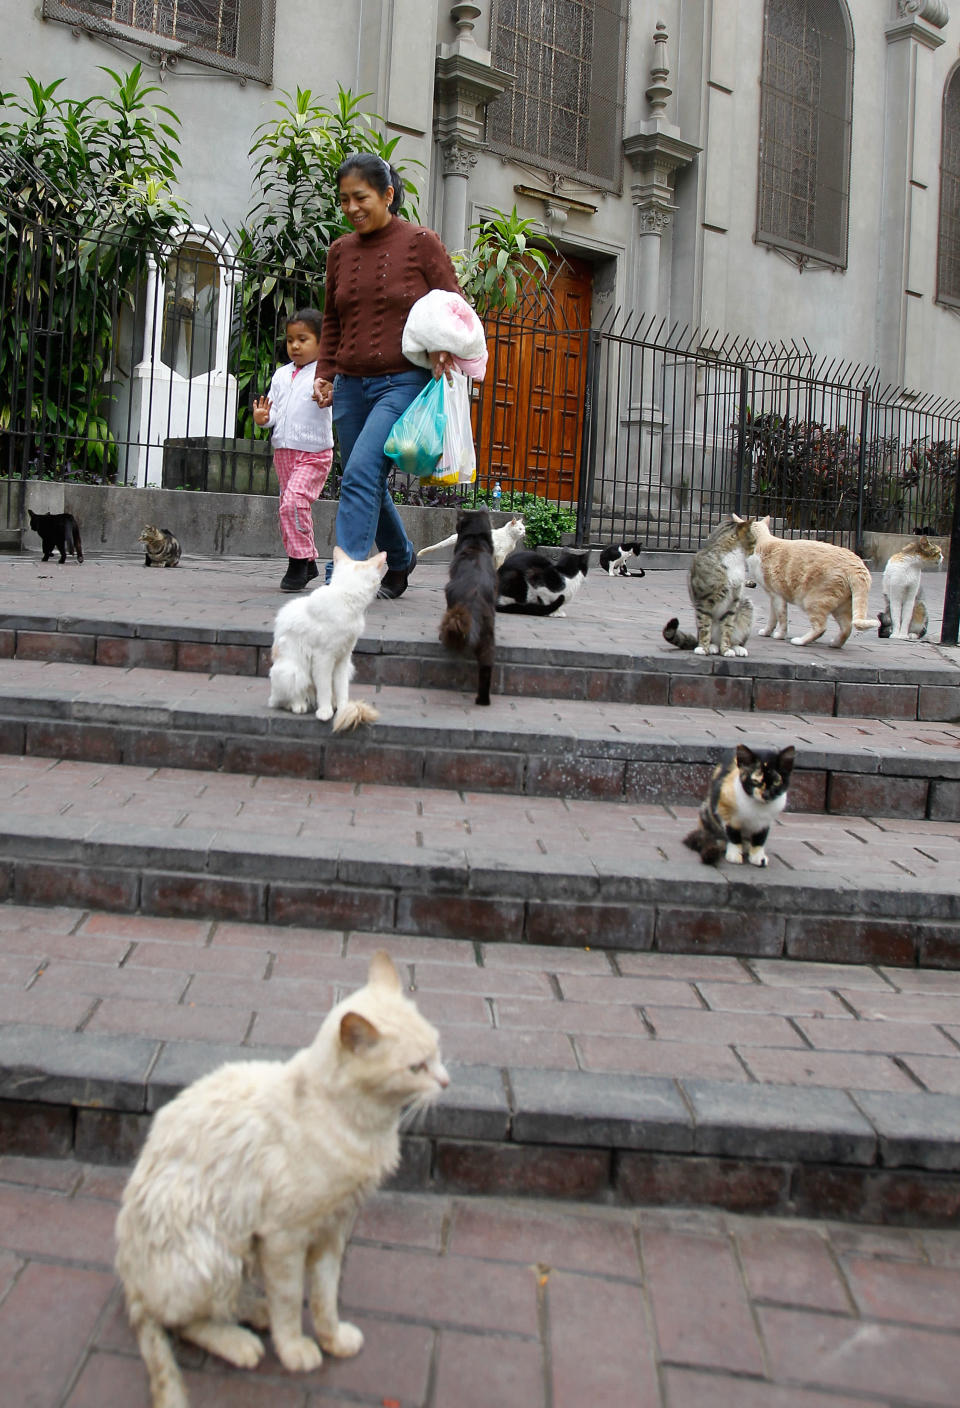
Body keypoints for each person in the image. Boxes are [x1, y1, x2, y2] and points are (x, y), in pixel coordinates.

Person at [312, 153, 460, 599]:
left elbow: (453, 304)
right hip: (351, 386)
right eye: (344, 201)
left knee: (359, 472)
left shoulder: (420, 242)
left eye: (361, 197)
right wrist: (325, 371)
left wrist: (442, 344)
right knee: (366, 478)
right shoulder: (340, 251)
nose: (352, 208)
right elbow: (333, 318)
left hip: (404, 381)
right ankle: (400, 556)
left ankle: (346, 581)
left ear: (388, 195)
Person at [253, 308, 333, 592]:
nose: (295, 346)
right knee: (289, 509)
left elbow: (332, 399)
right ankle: (307, 561)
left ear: (322, 342)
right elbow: (273, 411)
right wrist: (264, 419)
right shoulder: (280, 374)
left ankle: (298, 563)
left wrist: (328, 393)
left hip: (314, 453)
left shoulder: (325, 373)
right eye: (290, 340)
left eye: (303, 339)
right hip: (284, 452)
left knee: (293, 503)